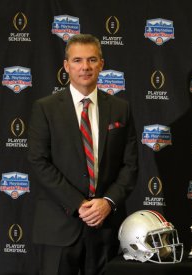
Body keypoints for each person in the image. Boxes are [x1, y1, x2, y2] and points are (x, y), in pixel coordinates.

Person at [28, 34, 138, 275]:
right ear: (67, 66)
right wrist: (79, 204)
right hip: (58, 227)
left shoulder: (121, 109)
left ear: (101, 64)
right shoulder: (45, 108)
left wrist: (108, 202)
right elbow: (38, 162)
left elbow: (130, 166)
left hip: (105, 228)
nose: (85, 67)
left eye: (91, 60)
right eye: (77, 60)